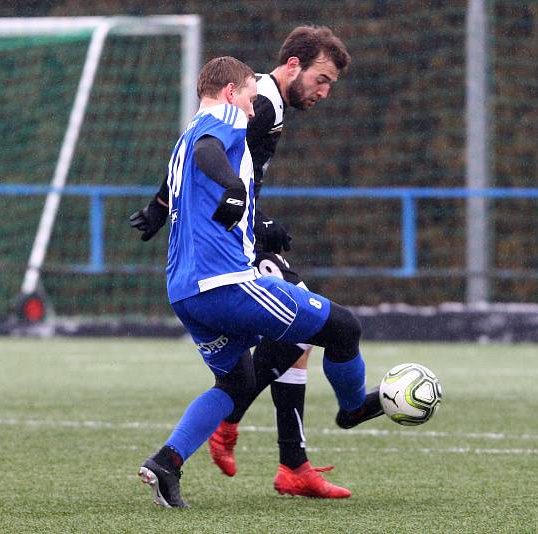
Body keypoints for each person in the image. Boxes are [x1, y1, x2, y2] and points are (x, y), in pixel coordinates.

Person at [130, 26, 382, 499]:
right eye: (322, 79)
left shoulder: (195, 132)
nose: (324, 92)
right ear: (291, 66)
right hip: (226, 276)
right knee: (341, 328)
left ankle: (169, 462)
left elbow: (191, 161)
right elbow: (213, 149)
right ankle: (346, 414)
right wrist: (241, 198)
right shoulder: (248, 106)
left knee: (241, 376)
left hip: (185, 287)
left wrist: (158, 211)